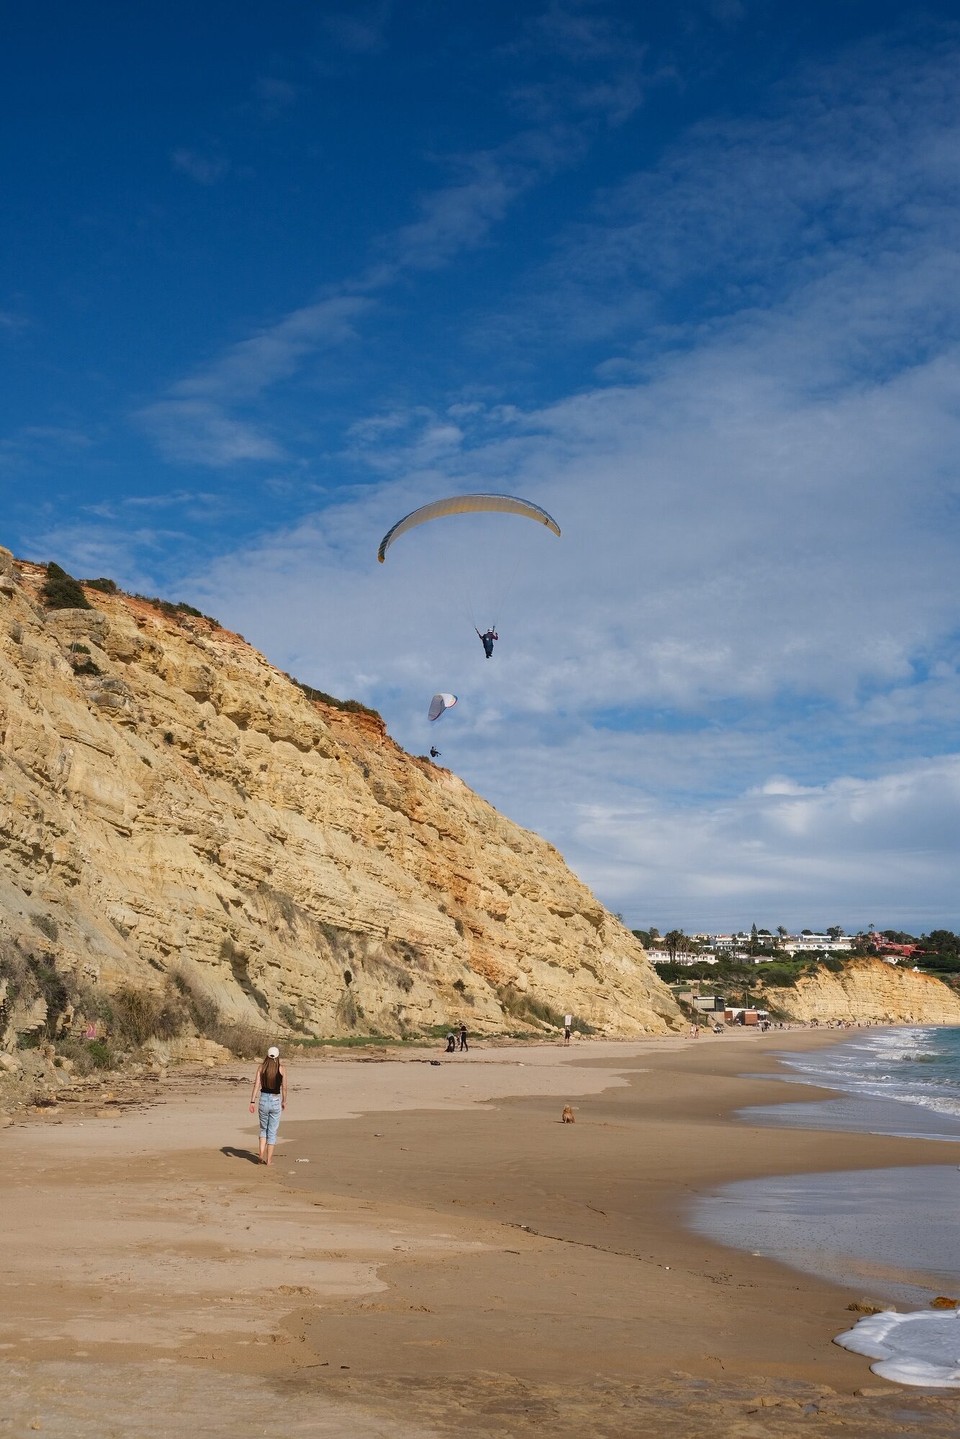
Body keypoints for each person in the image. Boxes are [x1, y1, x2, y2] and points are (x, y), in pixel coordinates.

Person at [249, 1045, 286, 1166]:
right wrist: (284, 1101)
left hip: (263, 1100)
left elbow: (256, 1085)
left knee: (263, 1129)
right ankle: (269, 1160)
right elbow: (284, 1087)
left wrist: (252, 1101)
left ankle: (261, 1154)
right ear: (277, 1056)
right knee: (272, 1131)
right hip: (275, 1100)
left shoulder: (261, 1068)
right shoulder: (281, 1069)